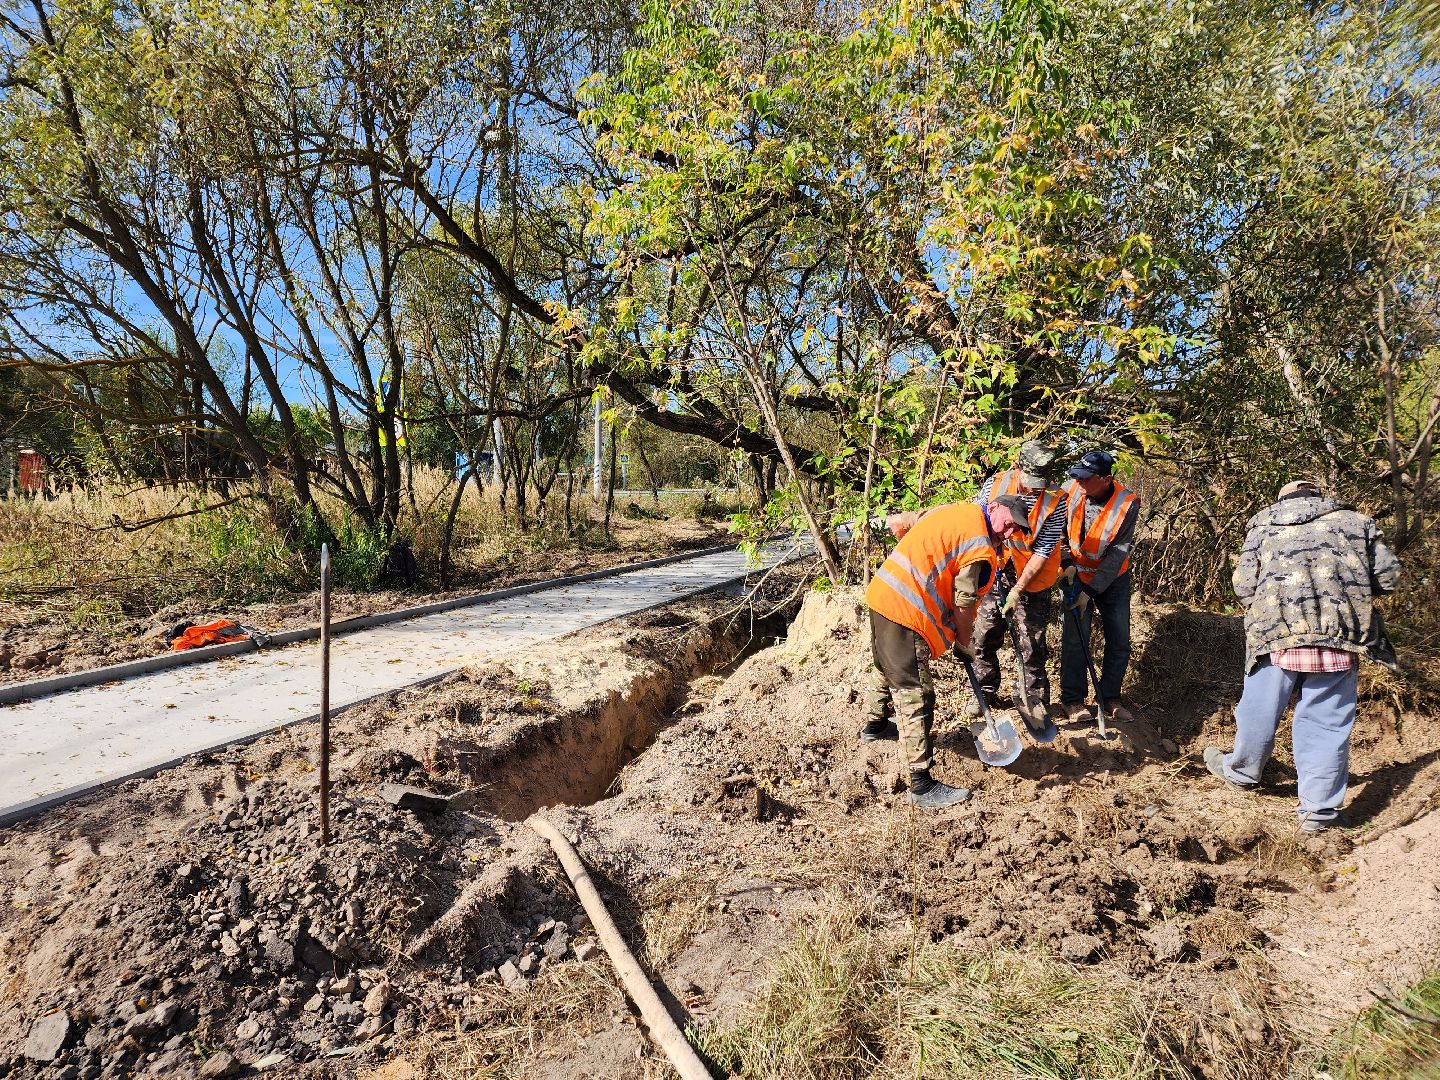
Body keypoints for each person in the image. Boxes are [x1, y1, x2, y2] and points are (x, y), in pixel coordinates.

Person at [1204, 481, 1400, 833]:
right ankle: (1318, 814)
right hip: (1339, 634)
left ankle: (1244, 772)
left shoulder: (1262, 523)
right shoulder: (1358, 522)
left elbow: (1243, 585)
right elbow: (1388, 577)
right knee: (1325, 724)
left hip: (1275, 632)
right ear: (1319, 497)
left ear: (1282, 500)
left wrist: (1268, 608)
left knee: (1259, 708)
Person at [862, 495, 1031, 809]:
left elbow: (909, 526)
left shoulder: (958, 511)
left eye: (1015, 529)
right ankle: (921, 784)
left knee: (886, 665)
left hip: (883, 593)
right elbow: (964, 604)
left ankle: (875, 726)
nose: (1008, 532)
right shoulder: (980, 547)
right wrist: (965, 643)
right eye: (1008, 522)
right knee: (916, 692)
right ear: (994, 507)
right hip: (905, 611)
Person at [965, 441, 1068, 720]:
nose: (1036, 487)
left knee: (1032, 642)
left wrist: (1018, 590)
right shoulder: (995, 485)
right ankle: (983, 690)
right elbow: (975, 520)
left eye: (1041, 481)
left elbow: (1044, 551)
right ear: (1018, 466)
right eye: (1031, 479)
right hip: (997, 569)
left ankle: (1033, 698)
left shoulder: (1056, 500)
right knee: (985, 634)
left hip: (1034, 578)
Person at [1058, 450, 1140, 723]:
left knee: (1118, 640)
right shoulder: (1070, 490)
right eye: (1077, 477)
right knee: (1074, 639)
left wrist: (1091, 591)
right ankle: (1073, 701)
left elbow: (1118, 552)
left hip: (1112, 579)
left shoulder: (1127, 503)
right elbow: (1055, 529)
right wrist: (1066, 562)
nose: (1079, 482)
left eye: (1086, 478)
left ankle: (1110, 698)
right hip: (1073, 574)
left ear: (1105, 479)